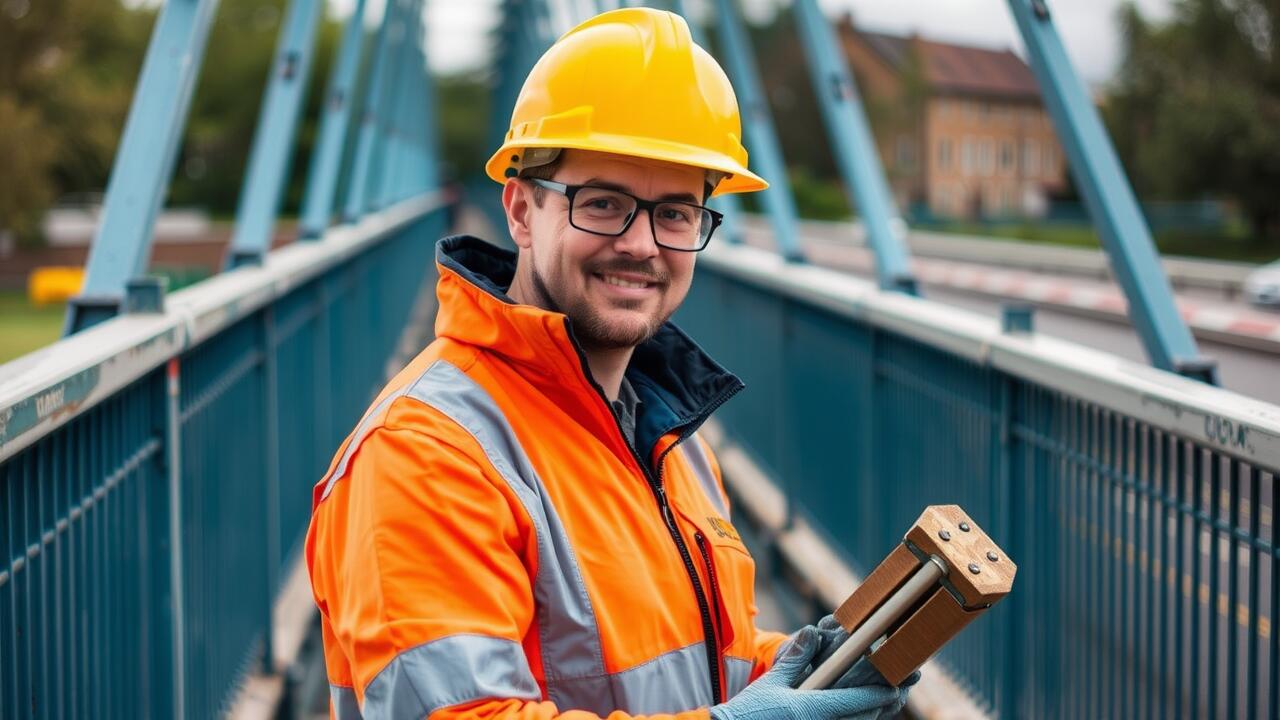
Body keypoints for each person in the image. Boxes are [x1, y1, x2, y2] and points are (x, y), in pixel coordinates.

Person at [306, 8, 916, 719]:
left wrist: (791, 674)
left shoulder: (671, 446)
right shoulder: (423, 455)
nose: (642, 245)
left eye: (676, 214)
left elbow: (675, 666)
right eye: (604, 203)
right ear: (521, 210)